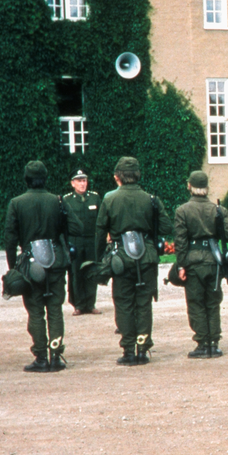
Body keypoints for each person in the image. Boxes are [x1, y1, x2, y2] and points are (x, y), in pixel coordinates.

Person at [95, 156, 172, 365]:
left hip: (120, 255)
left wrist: (100, 258)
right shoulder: (151, 199)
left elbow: (100, 230)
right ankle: (142, 347)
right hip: (146, 254)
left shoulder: (110, 199)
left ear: (118, 176)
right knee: (144, 302)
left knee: (123, 302)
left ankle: (128, 350)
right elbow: (166, 227)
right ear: (138, 175)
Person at [4, 160, 70, 373]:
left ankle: (41, 356)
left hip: (30, 262)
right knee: (55, 309)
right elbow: (68, 229)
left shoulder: (16, 203)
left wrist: (13, 266)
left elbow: (10, 239)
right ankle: (55, 355)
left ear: (26, 179)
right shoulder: (57, 201)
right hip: (56, 260)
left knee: (35, 311)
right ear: (45, 178)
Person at [173, 171, 228, 358]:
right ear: (206, 188)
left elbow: (180, 242)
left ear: (189, 186)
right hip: (214, 260)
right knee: (213, 302)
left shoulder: (182, 211)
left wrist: (181, 265)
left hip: (192, 261)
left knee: (196, 302)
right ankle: (214, 343)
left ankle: (202, 343)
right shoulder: (218, 210)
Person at [62, 168, 101, 316]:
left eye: (84, 180)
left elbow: (100, 219)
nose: (82, 184)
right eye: (79, 181)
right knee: (75, 272)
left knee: (92, 271)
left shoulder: (95, 198)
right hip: (75, 241)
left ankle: (90, 304)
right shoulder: (67, 200)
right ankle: (78, 304)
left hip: (91, 240)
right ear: (72, 183)